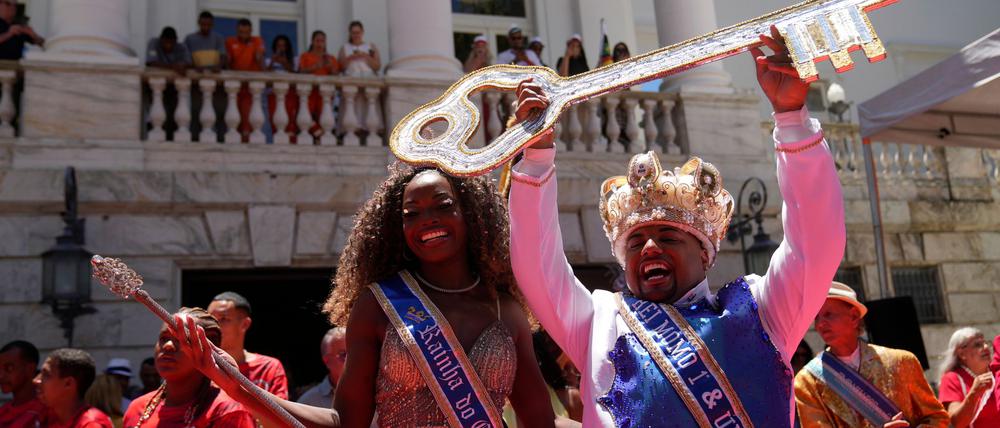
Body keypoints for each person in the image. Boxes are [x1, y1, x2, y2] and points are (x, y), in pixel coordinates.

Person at [507, 26, 846, 426]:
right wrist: (537, 156)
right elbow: (537, 264)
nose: (649, 247)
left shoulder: (760, 311)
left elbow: (816, 245)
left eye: (667, 236)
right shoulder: (599, 321)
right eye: (634, 243)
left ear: (705, 254)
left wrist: (792, 117)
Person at [170, 161, 560, 427]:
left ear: (470, 215)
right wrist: (237, 384)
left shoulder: (503, 309)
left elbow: (540, 421)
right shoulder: (380, 305)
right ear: (398, 228)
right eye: (412, 214)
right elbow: (345, 423)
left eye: (442, 206)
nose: (429, 221)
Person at [794, 282, 949, 427]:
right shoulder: (807, 380)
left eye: (828, 314)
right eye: (816, 317)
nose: (820, 324)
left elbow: (938, 418)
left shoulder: (902, 362)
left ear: (854, 316)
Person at [123, 307, 256, 427]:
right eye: (164, 338)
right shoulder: (137, 407)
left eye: (181, 339)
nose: (168, 345)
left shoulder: (227, 411)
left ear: (209, 350)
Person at [207, 291, 289, 400]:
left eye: (223, 319)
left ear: (244, 324)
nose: (214, 325)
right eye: (209, 319)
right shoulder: (200, 368)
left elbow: (280, 415)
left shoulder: (268, 368)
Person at [34, 348, 113, 428]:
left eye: (46, 375)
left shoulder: (91, 424)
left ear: (68, 383)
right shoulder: (46, 417)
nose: (36, 380)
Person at [938, 327, 998, 427]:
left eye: (986, 342)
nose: (986, 347)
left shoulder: (996, 370)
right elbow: (957, 422)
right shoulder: (952, 378)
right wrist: (974, 393)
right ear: (962, 354)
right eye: (977, 345)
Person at [297, 327, 346, 408]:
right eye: (343, 354)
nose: (351, 359)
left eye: (353, 353)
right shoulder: (308, 403)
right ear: (327, 361)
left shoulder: (372, 393)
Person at [0, 340, 45, 427]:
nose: (1, 375)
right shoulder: (3, 411)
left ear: (30, 368)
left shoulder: (49, 411)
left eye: (9, 368)